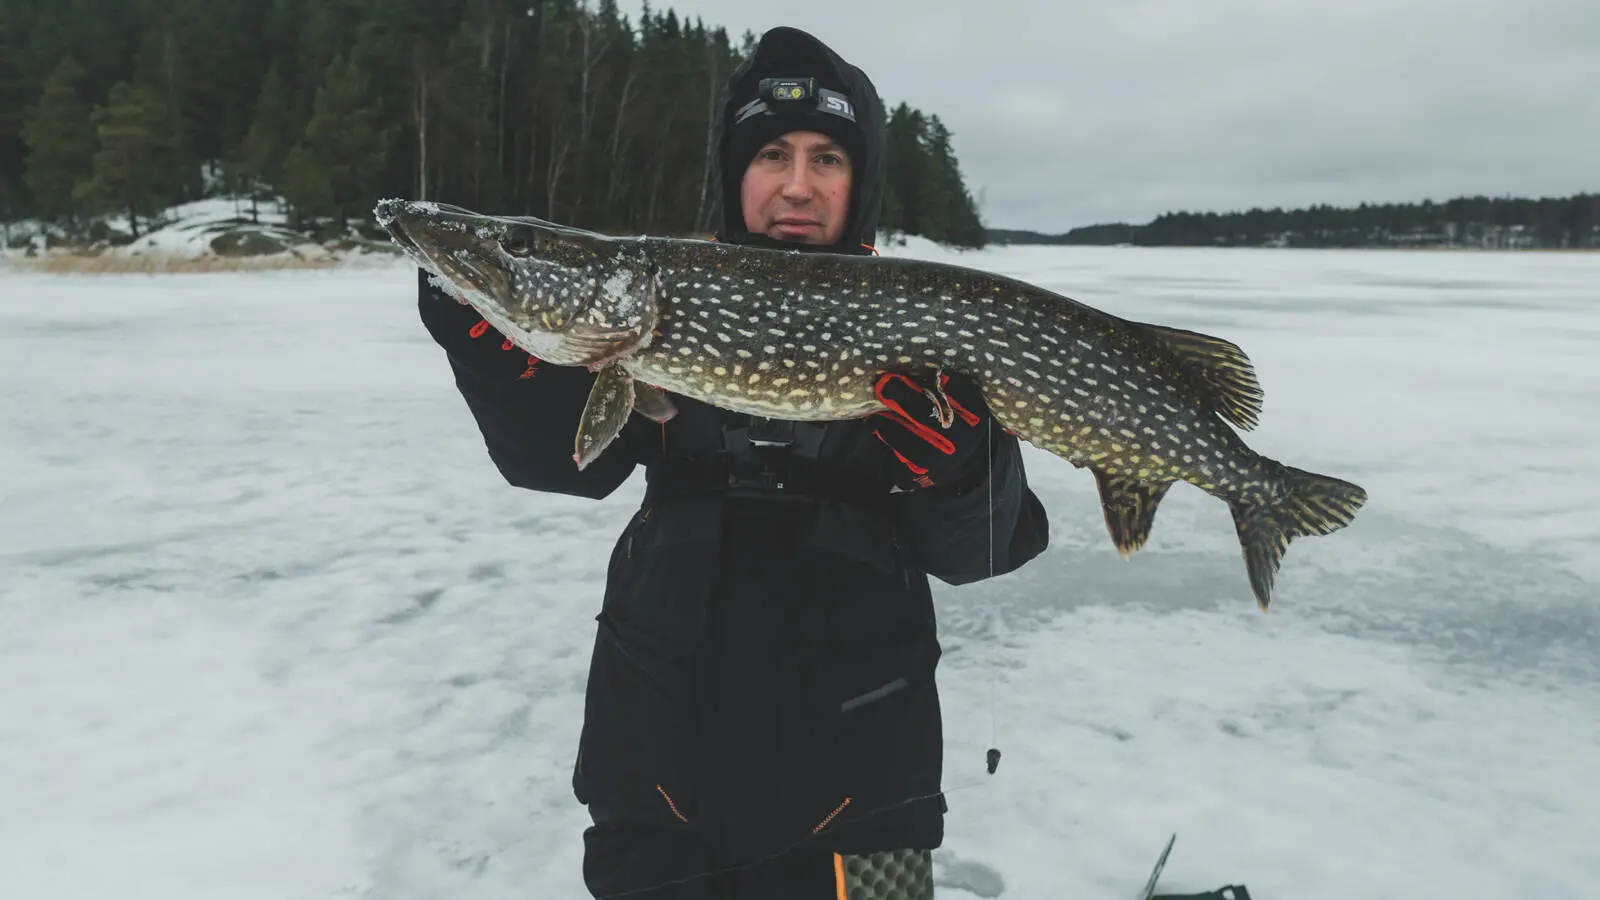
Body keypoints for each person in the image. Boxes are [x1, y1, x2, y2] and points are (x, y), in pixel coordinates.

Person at [415, 26, 1049, 900]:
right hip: (659, 780)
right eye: (771, 155)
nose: (796, 184)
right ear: (734, 173)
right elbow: (564, 465)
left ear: (859, 182)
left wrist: (965, 468)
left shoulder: (924, 327)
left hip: (865, 793)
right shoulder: (657, 303)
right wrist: (500, 365)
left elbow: (983, 550)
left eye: (826, 157)